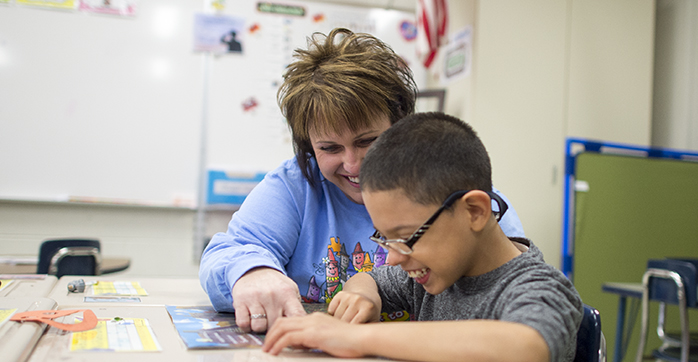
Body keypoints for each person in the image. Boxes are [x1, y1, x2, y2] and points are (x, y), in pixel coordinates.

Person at [262, 113, 583, 362]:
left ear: (475, 211)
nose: (395, 257)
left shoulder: (540, 286)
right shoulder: (437, 272)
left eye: (406, 237)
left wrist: (352, 338)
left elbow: (527, 349)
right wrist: (361, 294)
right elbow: (372, 279)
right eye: (385, 238)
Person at [199, 28, 524, 333]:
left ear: (400, 125)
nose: (354, 165)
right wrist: (252, 272)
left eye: (368, 141)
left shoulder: (454, 189)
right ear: (309, 148)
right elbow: (228, 253)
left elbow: (514, 281)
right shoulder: (295, 186)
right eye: (329, 148)